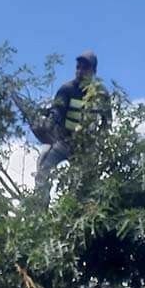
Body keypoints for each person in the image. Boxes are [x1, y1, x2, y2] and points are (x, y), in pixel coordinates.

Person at [34, 50, 111, 194]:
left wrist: (99, 142)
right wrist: (50, 120)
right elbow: (57, 109)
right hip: (63, 141)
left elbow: (107, 122)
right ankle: (39, 203)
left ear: (93, 71)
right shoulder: (67, 89)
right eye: (78, 67)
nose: (80, 71)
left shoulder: (102, 94)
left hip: (86, 148)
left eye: (85, 68)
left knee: (84, 184)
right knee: (43, 169)